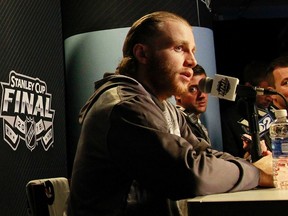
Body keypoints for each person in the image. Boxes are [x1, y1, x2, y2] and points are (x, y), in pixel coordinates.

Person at [67, 11, 273, 216]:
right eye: (179, 48)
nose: (192, 61)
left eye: (193, 51)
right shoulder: (126, 107)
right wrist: (256, 174)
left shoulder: (164, 107)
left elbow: (204, 154)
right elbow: (189, 174)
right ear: (142, 54)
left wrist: (252, 167)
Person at [221, 60, 274, 158]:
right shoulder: (229, 118)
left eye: (272, 91)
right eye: (265, 92)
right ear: (249, 87)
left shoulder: (276, 112)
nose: (270, 97)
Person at [175, 64, 211, 144]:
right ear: (177, 93)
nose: (202, 95)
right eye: (193, 89)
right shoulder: (179, 124)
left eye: (205, 87)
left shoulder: (194, 122)